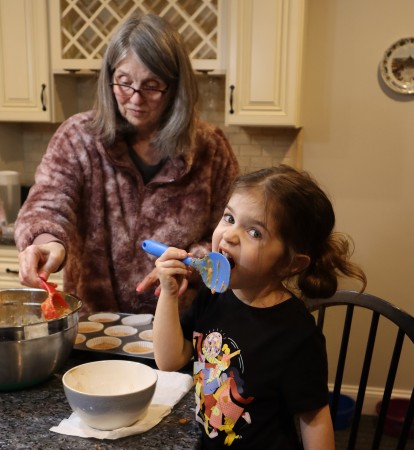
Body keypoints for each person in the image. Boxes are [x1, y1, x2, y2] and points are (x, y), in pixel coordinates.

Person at [14, 13, 239, 315]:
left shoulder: (210, 150)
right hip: (93, 327)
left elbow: (227, 240)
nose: (134, 98)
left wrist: (190, 264)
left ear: (175, 89)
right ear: (110, 77)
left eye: (151, 86)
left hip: (179, 331)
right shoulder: (78, 138)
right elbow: (49, 202)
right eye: (123, 82)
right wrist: (47, 242)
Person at [152, 165, 367, 449]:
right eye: (229, 217)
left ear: (290, 263)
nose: (229, 235)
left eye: (254, 232)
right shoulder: (213, 295)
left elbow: (314, 418)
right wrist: (168, 294)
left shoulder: (296, 334)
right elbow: (170, 360)